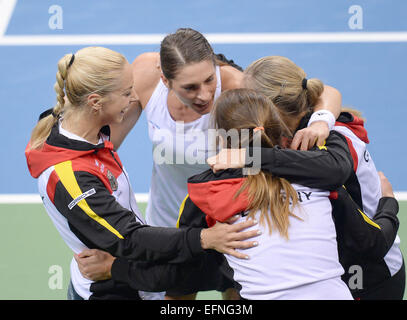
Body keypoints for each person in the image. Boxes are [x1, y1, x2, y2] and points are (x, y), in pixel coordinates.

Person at [104, 28, 343, 299]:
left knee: (236, 297)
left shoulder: (240, 88)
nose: (205, 95)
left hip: (237, 225)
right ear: (165, 80)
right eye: (190, 88)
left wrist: (321, 120)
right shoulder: (145, 75)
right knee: (176, 299)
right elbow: (108, 144)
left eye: (209, 80)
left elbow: (321, 92)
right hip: (173, 225)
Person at [24, 46, 260, 300]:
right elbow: (130, 238)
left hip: (132, 273)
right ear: (95, 102)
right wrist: (204, 240)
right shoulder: (71, 177)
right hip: (111, 287)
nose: (136, 97)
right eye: (126, 93)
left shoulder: (84, 129)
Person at [208, 55, 405, 299]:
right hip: (335, 269)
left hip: (370, 273)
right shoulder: (301, 134)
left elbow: (366, 238)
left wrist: (251, 156)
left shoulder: (330, 142)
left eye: (253, 102)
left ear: (273, 110)